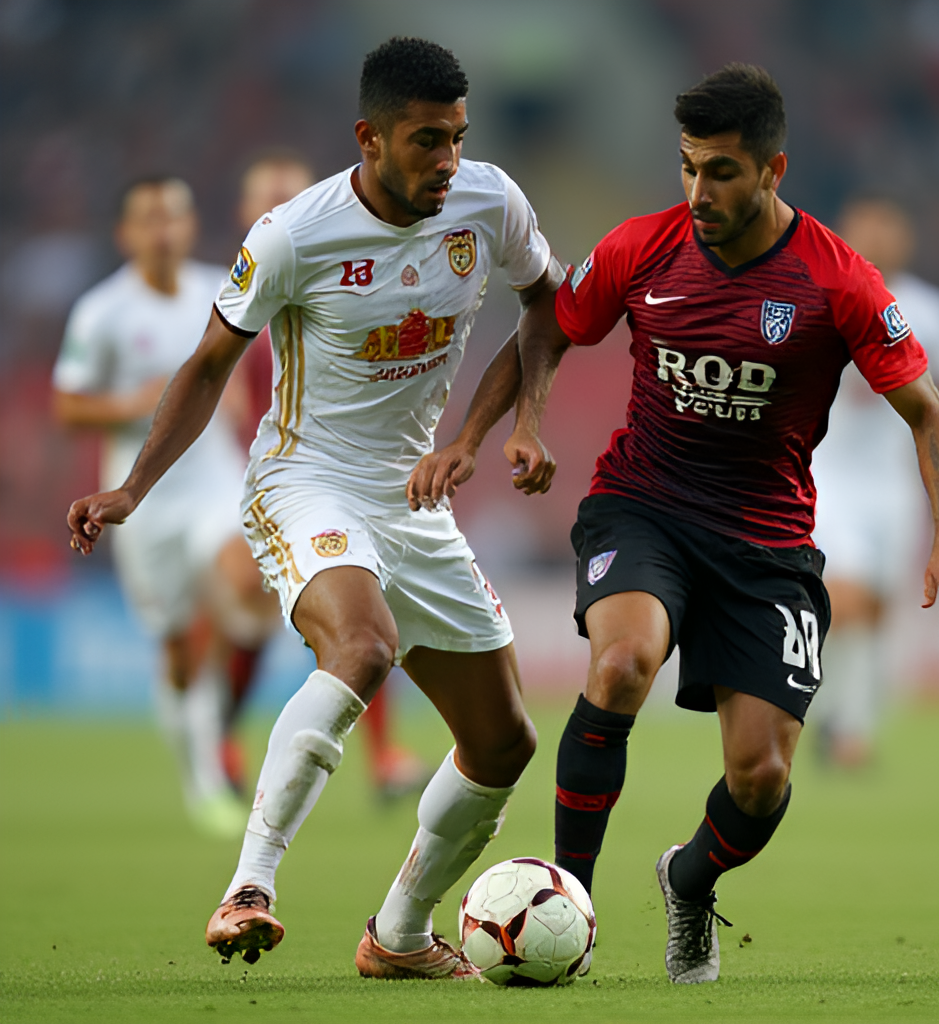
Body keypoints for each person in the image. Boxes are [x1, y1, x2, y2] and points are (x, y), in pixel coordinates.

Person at [66, 37, 560, 979]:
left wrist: (494, 431)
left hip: (414, 490)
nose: (448, 163)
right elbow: (210, 364)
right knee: (363, 645)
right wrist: (132, 486)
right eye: (426, 142)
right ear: (369, 139)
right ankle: (249, 885)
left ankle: (401, 936)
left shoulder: (490, 202)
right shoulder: (295, 234)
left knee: (503, 742)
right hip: (306, 477)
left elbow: (549, 310)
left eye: (458, 138)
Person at [502, 64, 939, 985]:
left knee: (761, 777)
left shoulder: (837, 280)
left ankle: (688, 879)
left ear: (773, 170)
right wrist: (527, 422)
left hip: (766, 545)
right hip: (641, 505)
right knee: (622, 662)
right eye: (687, 167)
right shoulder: (643, 247)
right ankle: (570, 900)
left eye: (720, 171)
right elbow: (551, 327)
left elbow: (930, 413)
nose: (697, 192)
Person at [53, 177, 279, 837]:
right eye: (149, 218)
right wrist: (132, 403)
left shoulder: (221, 286)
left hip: (215, 484)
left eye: (174, 216)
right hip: (145, 504)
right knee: (180, 651)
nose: (163, 230)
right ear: (126, 234)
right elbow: (67, 405)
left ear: (188, 226)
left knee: (249, 581)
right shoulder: (102, 313)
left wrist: (230, 389)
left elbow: (235, 359)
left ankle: (222, 724)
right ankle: (201, 775)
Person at [232, 152, 433, 799]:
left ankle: (382, 757)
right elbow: (227, 401)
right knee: (251, 623)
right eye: (270, 199)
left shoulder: (341, 288)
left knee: (366, 624)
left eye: (293, 196)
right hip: (268, 485)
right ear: (249, 215)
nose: (282, 209)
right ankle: (219, 739)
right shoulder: (241, 300)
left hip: (337, 489)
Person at [811, 196, 939, 766]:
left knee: (877, 609)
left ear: (905, 238)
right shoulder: (821, 294)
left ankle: (844, 723)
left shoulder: (932, 311)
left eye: (888, 228)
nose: (876, 238)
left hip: (897, 484)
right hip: (828, 476)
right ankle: (844, 729)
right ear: (846, 232)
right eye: (865, 227)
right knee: (848, 598)